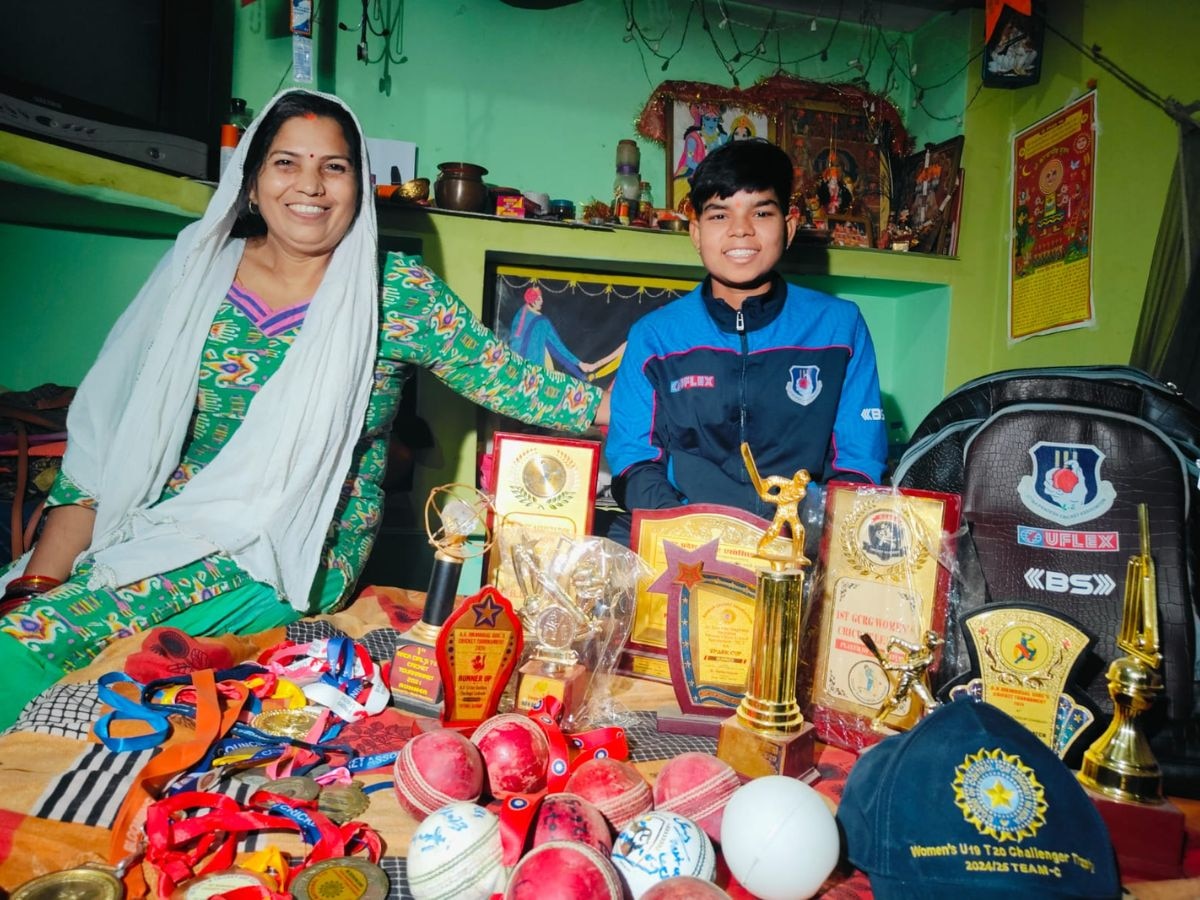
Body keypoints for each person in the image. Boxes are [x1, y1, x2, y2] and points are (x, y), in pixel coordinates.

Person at [0, 89, 606, 728]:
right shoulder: (195, 270)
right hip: (161, 524)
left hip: (296, 550)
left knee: (34, 646)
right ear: (252, 181)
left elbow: (515, 383)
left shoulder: (396, 293)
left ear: (359, 185)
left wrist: (646, 411)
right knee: (31, 620)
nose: (310, 186)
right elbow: (105, 443)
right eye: (286, 163)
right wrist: (39, 582)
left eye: (335, 166)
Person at [605, 139, 888, 542]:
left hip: (800, 551)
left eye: (761, 212)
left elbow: (858, 466)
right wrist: (691, 536)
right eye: (720, 215)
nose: (741, 229)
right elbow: (634, 462)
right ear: (696, 232)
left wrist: (806, 544)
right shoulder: (655, 337)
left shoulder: (840, 328)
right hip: (683, 542)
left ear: (788, 228)